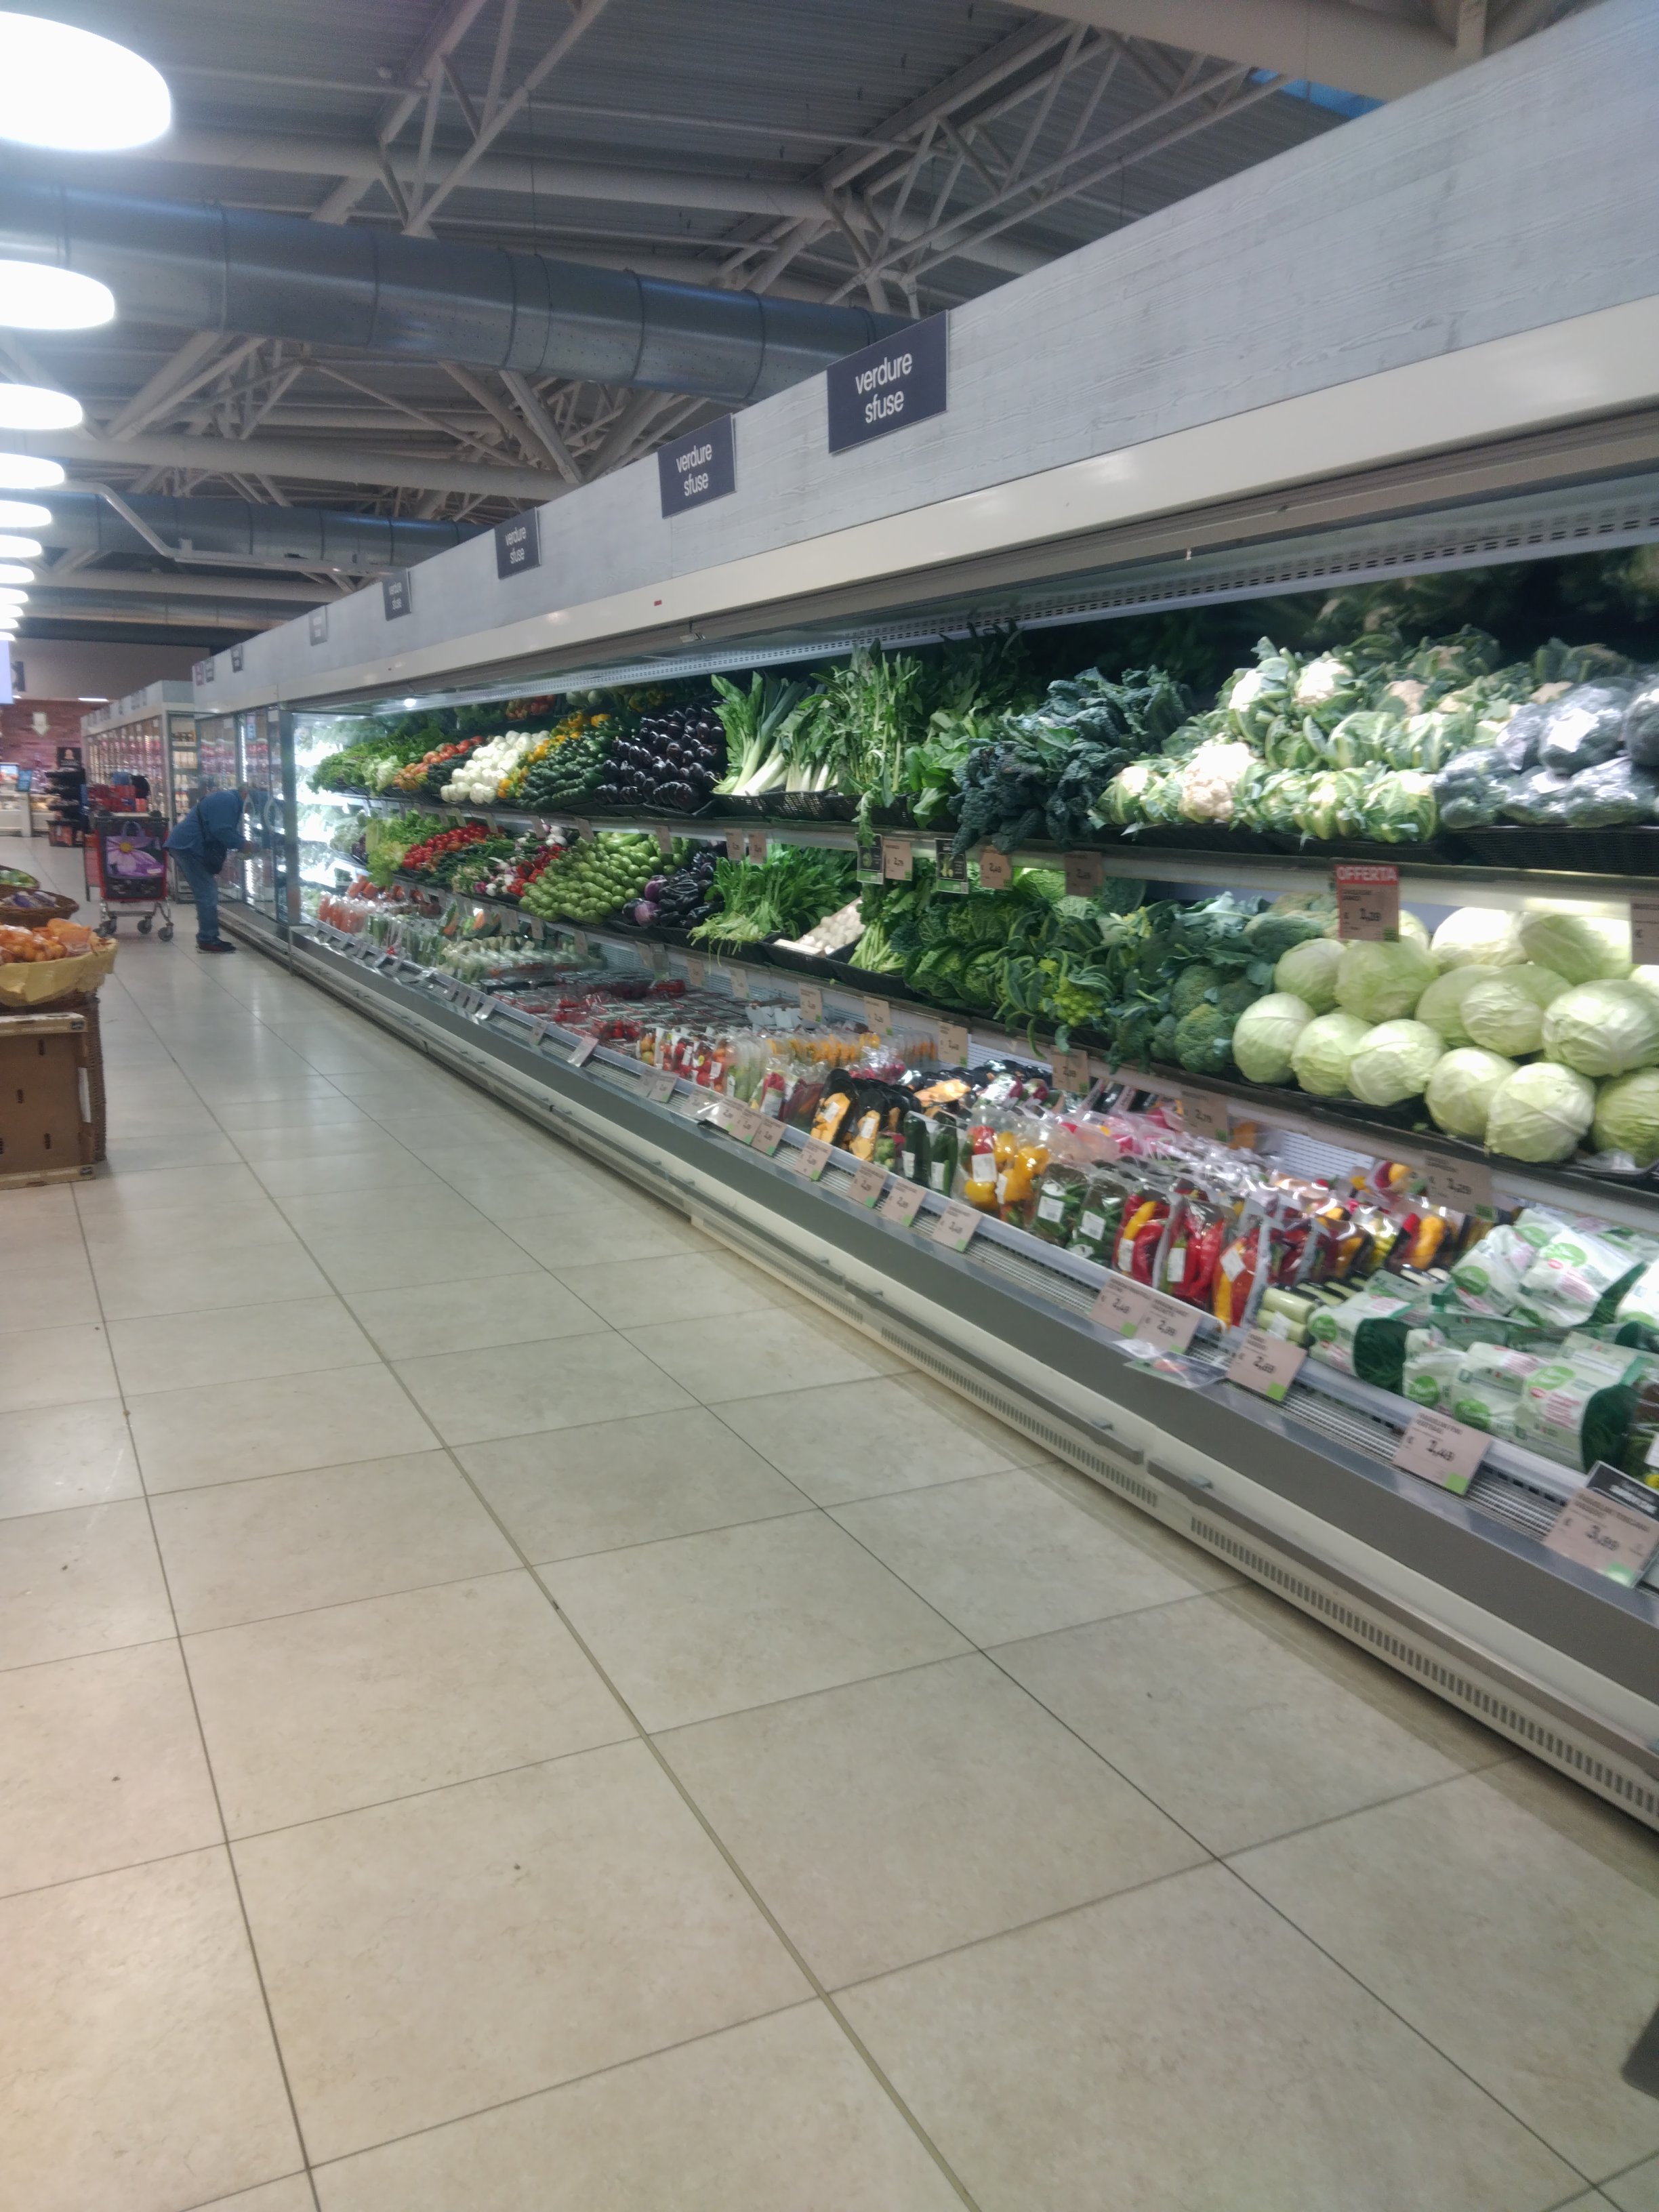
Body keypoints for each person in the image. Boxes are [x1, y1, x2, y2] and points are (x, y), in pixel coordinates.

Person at [165, 785, 248, 954]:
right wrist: (243, 844)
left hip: (188, 845)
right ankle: (208, 940)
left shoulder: (228, 799)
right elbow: (222, 830)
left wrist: (240, 843)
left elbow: (222, 828)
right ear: (246, 794)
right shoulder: (229, 800)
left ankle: (208, 937)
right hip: (188, 846)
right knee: (207, 891)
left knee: (206, 891)